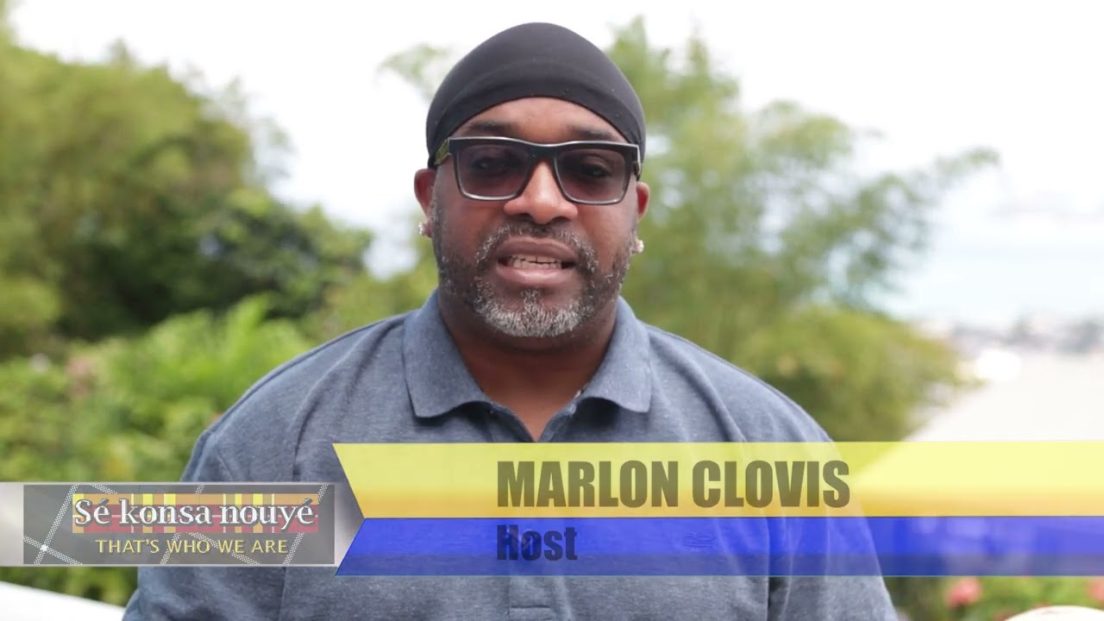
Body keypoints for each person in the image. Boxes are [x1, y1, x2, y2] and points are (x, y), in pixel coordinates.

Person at [125, 22, 894, 620]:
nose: (542, 200)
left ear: (636, 210)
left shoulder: (769, 452)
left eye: (590, 170)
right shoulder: (275, 443)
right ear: (430, 198)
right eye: (493, 162)